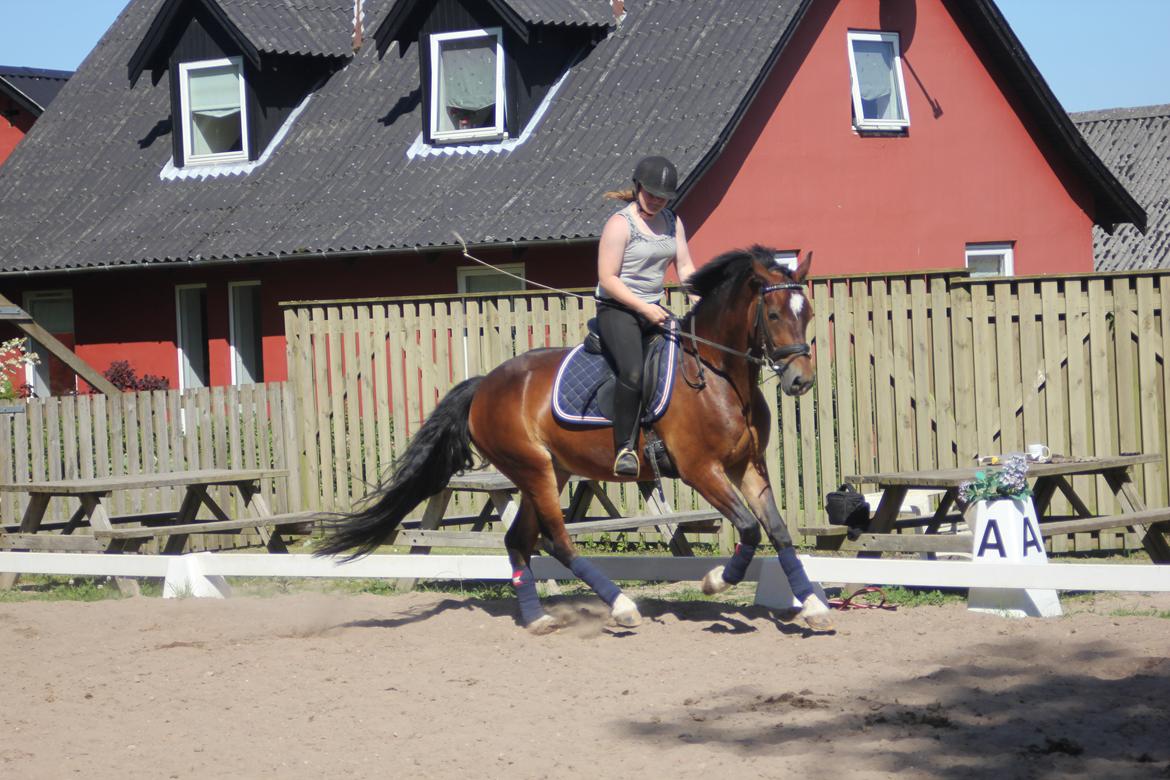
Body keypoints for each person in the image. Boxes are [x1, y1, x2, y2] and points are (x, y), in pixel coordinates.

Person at [595, 155, 698, 477]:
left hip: (654, 308)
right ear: (638, 187)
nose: (656, 201)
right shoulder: (619, 224)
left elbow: (684, 266)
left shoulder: (672, 221)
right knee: (634, 372)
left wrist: (698, 296)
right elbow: (608, 278)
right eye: (651, 193)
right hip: (618, 309)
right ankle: (624, 447)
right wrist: (643, 307)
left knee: (686, 361)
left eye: (663, 196)